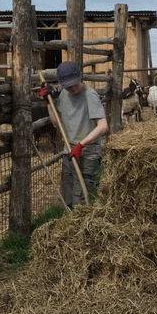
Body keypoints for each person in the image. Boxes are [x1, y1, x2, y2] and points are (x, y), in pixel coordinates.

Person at [45, 61, 109, 209]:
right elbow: (56, 123)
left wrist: (81, 145)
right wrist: (48, 103)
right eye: (68, 85)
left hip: (87, 152)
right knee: (68, 196)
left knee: (81, 200)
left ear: (80, 76)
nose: (72, 88)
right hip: (69, 150)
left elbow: (103, 126)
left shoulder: (90, 95)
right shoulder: (63, 94)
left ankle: (83, 228)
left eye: (74, 83)